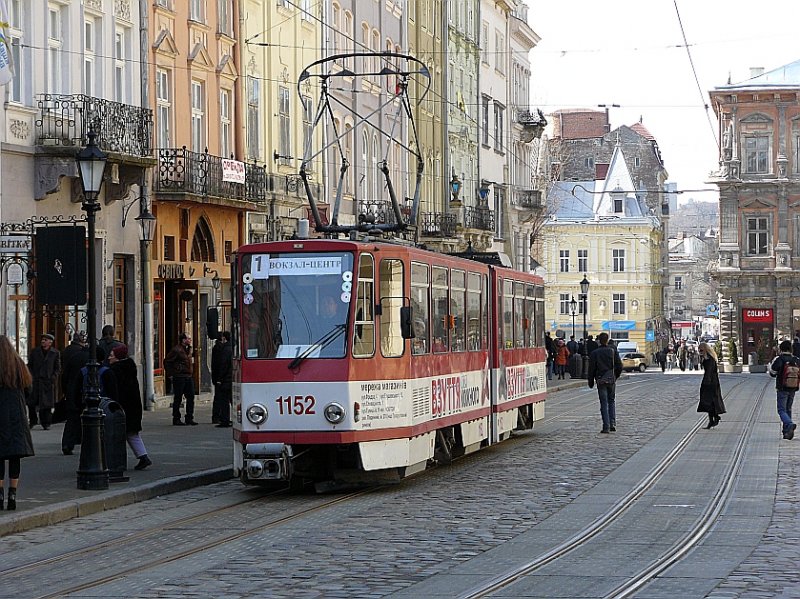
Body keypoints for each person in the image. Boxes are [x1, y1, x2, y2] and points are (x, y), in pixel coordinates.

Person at [0, 335, 35, 510]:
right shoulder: (19, 365)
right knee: (15, 456)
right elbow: (29, 389)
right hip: (16, 415)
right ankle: (12, 494)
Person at [108, 345, 152, 469]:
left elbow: (117, 390)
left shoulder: (116, 370)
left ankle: (118, 462)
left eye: (112, 355)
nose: (109, 357)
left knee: (122, 433)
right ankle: (143, 457)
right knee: (132, 433)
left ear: (118, 357)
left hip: (123, 407)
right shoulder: (129, 368)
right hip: (133, 407)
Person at [587, 332, 623, 434]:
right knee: (611, 401)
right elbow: (619, 365)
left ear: (599, 340)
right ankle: (612, 423)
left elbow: (591, 369)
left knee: (604, 403)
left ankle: (606, 426)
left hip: (600, 379)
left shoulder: (595, 353)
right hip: (611, 379)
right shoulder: (612, 351)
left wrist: (590, 381)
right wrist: (615, 376)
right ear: (607, 340)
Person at [26, 333, 61, 430]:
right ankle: (32, 421)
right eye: (42, 340)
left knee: (46, 404)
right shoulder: (35, 352)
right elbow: (30, 365)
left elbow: (57, 368)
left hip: (47, 382)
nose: (43, 341)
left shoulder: (55, 353)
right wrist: (31, 376)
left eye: (45, 340)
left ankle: (46, 423)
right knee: (32, 402)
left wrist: (53, 377)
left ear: (50, 342)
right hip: (36, 381)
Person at [768, 339, 799, 440]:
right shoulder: (796, 360)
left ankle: (789, 424)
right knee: (788, 408)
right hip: (793, 388)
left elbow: (772, 373)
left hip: (782, 387)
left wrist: (769, 365)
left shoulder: (780, 359)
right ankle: (787, 432)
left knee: (781, 409)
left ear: (781, 349)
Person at [164, 333, 197, 426]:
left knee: (191, 397)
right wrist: (171, 373)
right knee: (178, 398)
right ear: (183, 340)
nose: (190, 340)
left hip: (188, 376)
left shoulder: (188, 349)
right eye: (188, 338)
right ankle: (176, 418)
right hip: (179, 377)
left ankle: (189, 417)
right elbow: (167, 361)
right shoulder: (176, 350)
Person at [697, 342, 725, 429]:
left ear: (705, 349)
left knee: (708, 401)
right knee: (710, 402)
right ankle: (713, 419)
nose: (700, 352)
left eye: (701, 350)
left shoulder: (709, 359)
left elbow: (709, 372)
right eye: (699, 350)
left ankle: (714, 419)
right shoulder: (707, 358)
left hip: (710, 382)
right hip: (711, 381)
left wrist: (707, 382)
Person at [211, 332, 233, 427]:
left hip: (225, 379)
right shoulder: (232, 348)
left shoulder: (224, 349)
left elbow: (223, 365)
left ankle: (224, 420)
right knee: (231, 400)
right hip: (230, 378)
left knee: (223, 400)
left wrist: (219, 378)